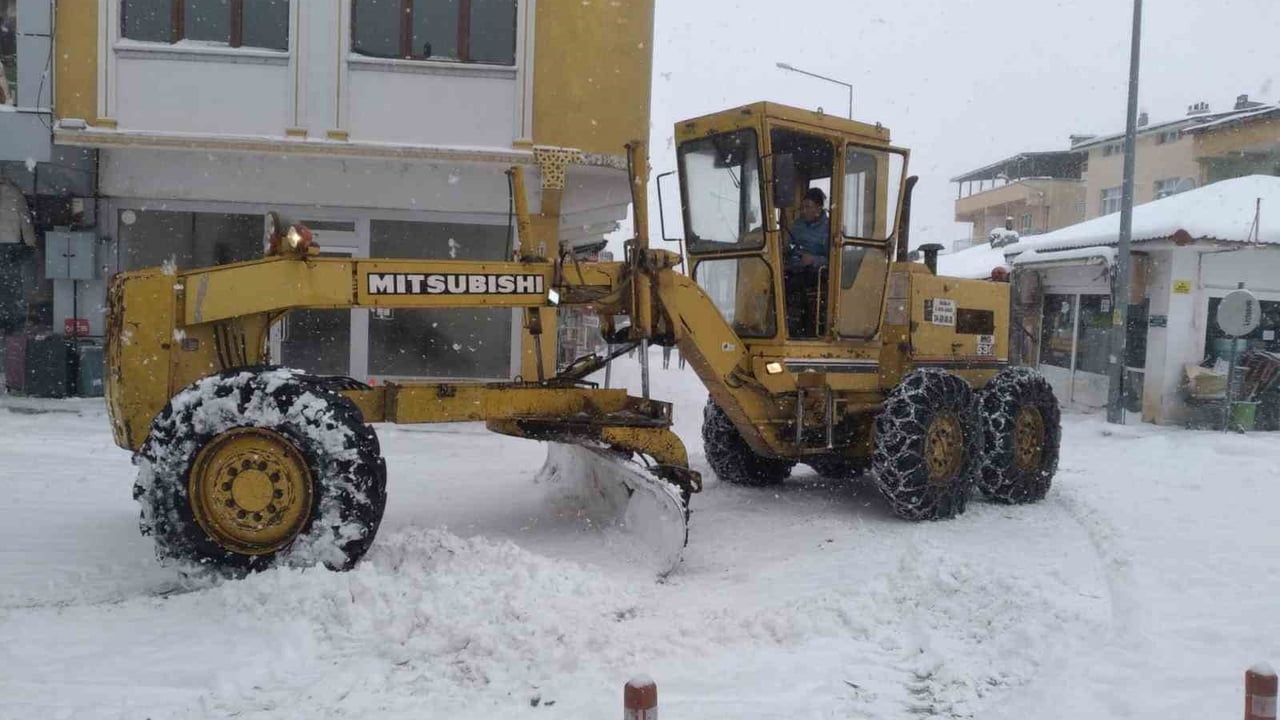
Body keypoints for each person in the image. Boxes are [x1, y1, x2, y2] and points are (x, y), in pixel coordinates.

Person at [784, 187, 830, 336]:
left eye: (808, 207)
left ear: (818, 208)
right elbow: (788, 244)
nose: (804, 211)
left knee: (792, 286)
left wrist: (813, 259)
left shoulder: (830, 229)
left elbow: (835, 259)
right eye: (802, 207)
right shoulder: (797, 225)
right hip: (793, 267)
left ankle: (800, 328)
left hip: (816, 273)